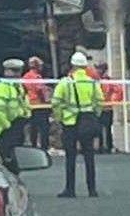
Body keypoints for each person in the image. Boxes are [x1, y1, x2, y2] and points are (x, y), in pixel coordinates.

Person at [52, 51, 104, 198]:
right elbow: (99, 101)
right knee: (89, 156)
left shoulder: (65, 83)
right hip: (87, 122)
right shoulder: (92, 83)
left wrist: (60, 117)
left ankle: (70, 189)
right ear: (85, 66)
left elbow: (56, 102)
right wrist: (95, 115)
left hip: (70, 123)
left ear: (73, 65)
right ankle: (92, 189)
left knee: (70, 157)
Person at [0, 58, 31, 165]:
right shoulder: (1, 87)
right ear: (6, 71)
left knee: (15, 161)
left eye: (18, 71)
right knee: (5, 161)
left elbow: (23, 102)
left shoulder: (18, 86)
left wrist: (26, 115)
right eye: (14, 71)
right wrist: (7, 126)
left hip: (17, 125)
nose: (17, 74)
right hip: (4, 129)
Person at [22, 56, 52, 151]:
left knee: (33, 127)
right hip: (39, 104)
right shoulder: (37, 77)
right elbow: (40, 90)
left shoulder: (25, 76)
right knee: (44, 128)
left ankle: (33, 145)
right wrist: (47, 100)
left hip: (30, 104)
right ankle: (44, 147)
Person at [94, 62, 122, 153]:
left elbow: (118, 92)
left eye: (100, 68)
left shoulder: (109, 81)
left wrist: (111, 102)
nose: (98, 70)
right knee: (98, 128)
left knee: (108, 128)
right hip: (98, 108)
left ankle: (109, 146)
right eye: (97, 68)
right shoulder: (94, 81)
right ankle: (100, 146)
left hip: (107, 108)